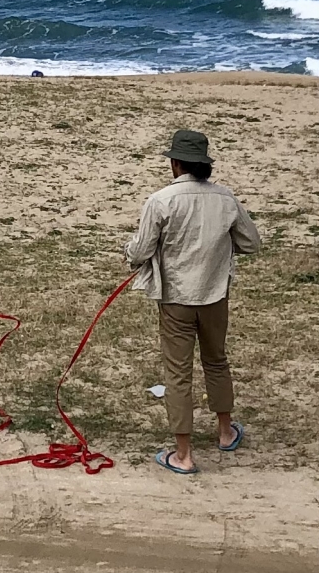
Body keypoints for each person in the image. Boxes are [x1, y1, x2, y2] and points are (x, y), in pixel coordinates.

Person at [124, 129, 260, 474]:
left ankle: (183, 455)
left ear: (176, 163)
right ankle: (225, 431)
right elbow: (251, 242)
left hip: (176, 299)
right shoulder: (225, 198)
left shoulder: (161, 200)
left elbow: (140, 250)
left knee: (178, 373)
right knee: (217, 361)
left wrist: (134, 255)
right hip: (215, 295)